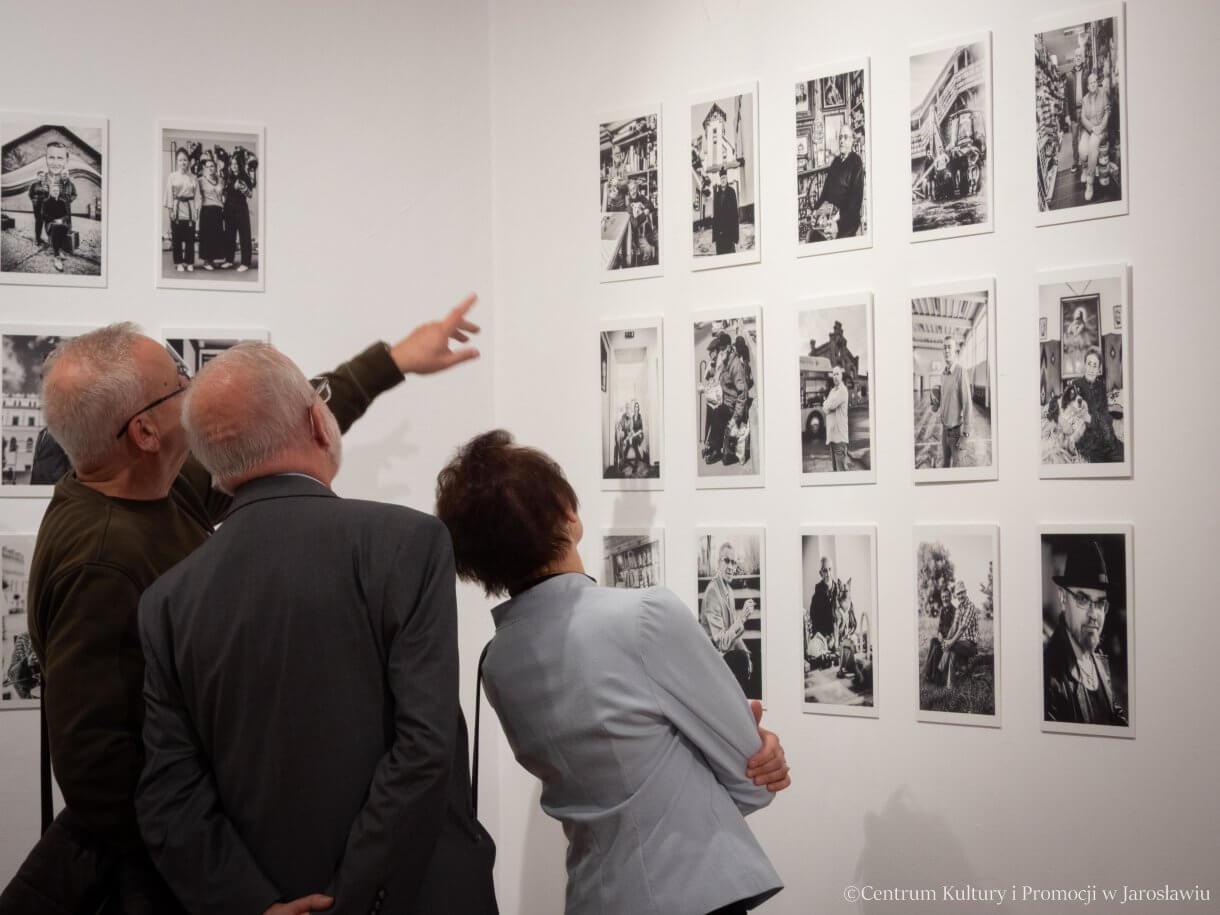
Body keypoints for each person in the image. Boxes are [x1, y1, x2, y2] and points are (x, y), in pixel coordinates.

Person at [0, 298, 483, 915]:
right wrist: (228, 882)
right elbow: (100, 774)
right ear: (144, 433)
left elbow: (265, 437)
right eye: (178, 385)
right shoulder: (102, 558)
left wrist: (390, 362)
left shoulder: (143, 483)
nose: (193, 390)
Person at [135, 343, 497, 914]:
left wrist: (254, 906)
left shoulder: (166, 600)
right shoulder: (406, 543)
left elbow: (169, 795)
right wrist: (346, 895)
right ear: (315, 421)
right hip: (408, 896)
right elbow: (424, 745)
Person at [435, 431, 789, 915]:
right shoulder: (645, 616)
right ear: (567, 511)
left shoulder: (496, 664)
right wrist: (745, 739)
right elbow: (752, 780)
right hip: (690, 894)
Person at [1044, 540, 1128, 726]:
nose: (1093, 615)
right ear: (1063, 597)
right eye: (1082, 599)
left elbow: (1114, 714)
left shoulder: (1099, 660)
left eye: (1099, 603)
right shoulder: (1048, 673)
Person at [700, 541, 754, 688]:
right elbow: (722, 643)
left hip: (724, 654)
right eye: (727, 561)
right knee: (741, 660)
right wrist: (742, 618)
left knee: (748, 656)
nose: (731, 567)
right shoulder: (712, 592)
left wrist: (746, 652)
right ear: (718, 564)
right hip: (712, 659)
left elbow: (733, 633)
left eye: (734, 563)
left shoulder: (728, 591)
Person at [808, 125, 865, 240]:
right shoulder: (835, 162)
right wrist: (815, 210)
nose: (842, 141)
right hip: (829, 215)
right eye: (840, 137)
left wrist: (838, 225)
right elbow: (824, 193)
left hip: (846, 219)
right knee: (813, 236)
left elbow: (855, 205)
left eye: (845, 137)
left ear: (852, 140)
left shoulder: (856, 162)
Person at [1075, 347, 1122, 463]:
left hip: (1103, 433)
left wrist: (1093, 419)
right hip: (1087, 439)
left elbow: (1104, 413)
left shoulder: (1101, 386)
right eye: (1089, 364)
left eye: (1095, 366)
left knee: (1120, 453)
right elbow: (1077, 416)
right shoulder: (1076, 386)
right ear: (1085, 365)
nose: (1091, 369)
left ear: (1098, 369)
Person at [931, 581, 979, 688]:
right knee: (952, 652)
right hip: (961, 642)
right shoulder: (959, 608)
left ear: (966, 592)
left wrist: (950, 642)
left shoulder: (970, 607)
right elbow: (954, 626)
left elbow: (962, 628)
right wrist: (947, 641)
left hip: (971, 644)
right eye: (958, 594)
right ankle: (950, 686)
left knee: (952, 646)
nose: (960, 596)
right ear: (956, 596)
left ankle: (940, 670)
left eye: (962, 592)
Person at [937, 336, 971, 468]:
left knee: (957, 472)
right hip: (944, 431)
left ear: (955, 351)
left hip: (957, 433)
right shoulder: (943, 375)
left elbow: (967, 403)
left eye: (949, 347)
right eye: (944, 347)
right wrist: (936, 404)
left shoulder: (960, 372)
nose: (946, 350)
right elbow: (944, 400)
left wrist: (966, 434)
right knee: (946, 465)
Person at [164, 148, 199, 272]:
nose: (183, 162)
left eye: (185, 160)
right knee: (177, 238)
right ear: (177, 162)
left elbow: (197, 195)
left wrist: (196, 211)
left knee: (190, 239)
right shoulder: (172, 176)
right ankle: (179, 262)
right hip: (177, 208)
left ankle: (189, 262)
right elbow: (168, 195)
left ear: (189, 162)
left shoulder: (193, 177)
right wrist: (171, 211)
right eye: (180, 160)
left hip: (189, 210)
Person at [1078, 70, 1110, 202]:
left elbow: (1108, 111)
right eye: (1090, 82)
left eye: (1094, 82)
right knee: (1082, 150)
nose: (1093, 84)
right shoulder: (1085, 99)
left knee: (1092, 144)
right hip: (1089, 130)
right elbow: (1082, 117)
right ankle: (1084, 168)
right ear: (1087, 85)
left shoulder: (1103, 94)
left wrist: (1101, 127)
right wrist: (1092, 128)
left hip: (1101, 130)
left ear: (1097, 83)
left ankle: (1090, 183)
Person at [196, 158, 229, 270]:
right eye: (208, 166)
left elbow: (224, 196)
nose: (210, 168)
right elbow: (195, 195)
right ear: (205, 168)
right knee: (207, 236)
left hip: (218, 211)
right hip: (207, 210)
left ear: (216, 168)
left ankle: (212, 260)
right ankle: (206, 261)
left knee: (216, 236)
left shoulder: (221, 180)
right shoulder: (200, 180)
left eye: (212, 166)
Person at [223, 155, 254, 273]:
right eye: (232, 164)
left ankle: (245, 263)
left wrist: (244, 189)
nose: (234, 166)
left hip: (241, 209)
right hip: (229, 209)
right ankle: (229, 260)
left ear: (240, 165)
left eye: (236, 164)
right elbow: (224, 193)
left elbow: (250, 195)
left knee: (244, 236)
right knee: (229, 236)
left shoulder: (245, 176)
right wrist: (232, 187)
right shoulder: (228, 176)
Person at [806, 557, 836, 659]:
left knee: (854, 640)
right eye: (825, 570)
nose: (828, 574)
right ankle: (826, 655)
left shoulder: (840, 591)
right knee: (812, 648)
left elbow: (849, 616)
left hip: (838, 636)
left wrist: (836, 636)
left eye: (830, 569)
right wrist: (826, 637)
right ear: (820, 573)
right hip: (823, 638)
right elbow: (815, 621)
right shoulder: (816, 597)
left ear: (833, 570)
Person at [40, 180, 73, 272]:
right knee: (56, 228)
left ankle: (58, 249)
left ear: (59, 192)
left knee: (64, 227)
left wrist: (61, 220)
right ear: (51, 192)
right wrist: (55, 220)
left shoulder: (62, 202)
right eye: (54, 191)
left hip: (60, 223)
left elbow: (66, 215)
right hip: (50, 224)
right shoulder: (46, 202)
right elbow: (43, 215)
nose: (56, 192)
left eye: (57, 191)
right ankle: (56, 257)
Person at [1063, 49, 1085, 173]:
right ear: (1073, 58)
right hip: (1073, 112)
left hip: (1085, 111)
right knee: (1074, 139)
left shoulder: (1087, 72)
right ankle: (1075, 162)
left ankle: (1084, 161)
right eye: (1076, 55)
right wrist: (1066, 114)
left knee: (1084, 137)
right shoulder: (1069, 75)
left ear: (1082, 58)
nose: (1077, 57)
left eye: (1079, 56)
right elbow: (1065, 97)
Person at [824, 365, 849, 471]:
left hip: (839, 438)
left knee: (841, 471)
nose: (835, 376)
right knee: (835, 471)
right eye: (833, 374)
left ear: (841, 376)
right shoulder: (833, 390)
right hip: (832, 438)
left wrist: (826, 404)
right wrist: (826, 405)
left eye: (837, 374)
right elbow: (825, 408)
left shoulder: (842, 391)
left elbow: (830, 405)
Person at [712, 168, 739, 255]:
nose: (723, 180)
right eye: (721, 178)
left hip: (729, 232)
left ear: (727, 179)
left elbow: (735, 214)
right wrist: (715, 236)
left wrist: (735, 236)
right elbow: (715, 215)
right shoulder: (717, 194)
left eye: (724, 178)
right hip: (719, 234)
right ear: (720, 180)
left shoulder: (731, 192)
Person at [28, 170, 49, 246]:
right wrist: (34, 201)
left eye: (43, 176)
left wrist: (46, 193)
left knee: (43, 221)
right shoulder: (33, 185)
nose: (42, 177)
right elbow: (30, 194)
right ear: (37, 176)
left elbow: (48, 195)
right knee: (38, 222)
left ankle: (41, 238)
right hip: (37, 206)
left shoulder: (46, 185)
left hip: (44, 206)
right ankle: (37, 239)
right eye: (40, 176)